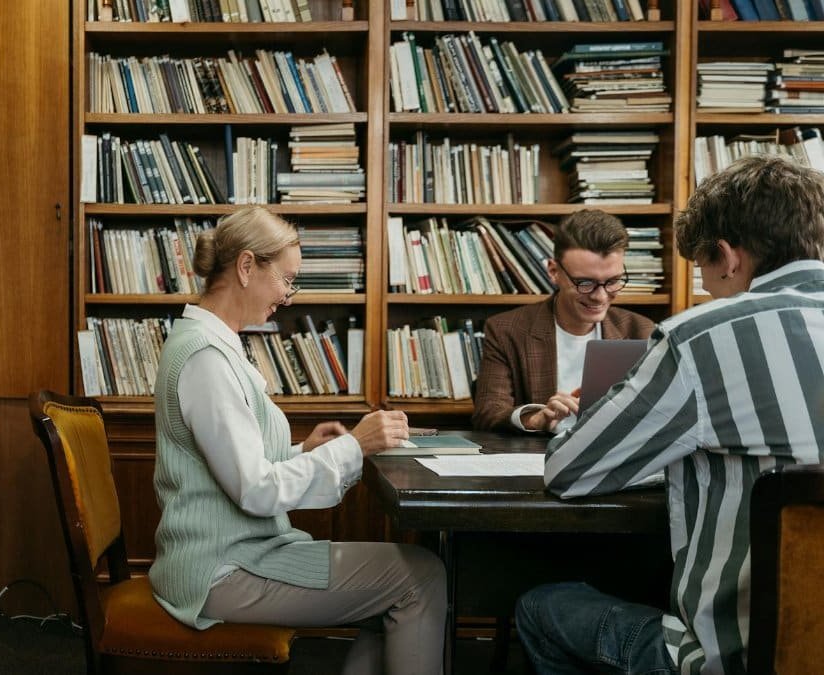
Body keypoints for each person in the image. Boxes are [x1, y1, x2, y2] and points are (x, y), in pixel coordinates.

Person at [515, 155, 824, 674]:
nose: (705, 289)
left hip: (734, 660)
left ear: (727, 257)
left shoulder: (702, 336)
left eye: (703, 272)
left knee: (541, 607)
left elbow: (568, 470)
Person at [149, 206, 446, 675]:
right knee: (420, 575)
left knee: (401, 578)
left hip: (230, 556)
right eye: (287, 280)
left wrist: (308, 452)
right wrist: (355, 447)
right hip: (222, 570)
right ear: (247, 267)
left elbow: (234, 467)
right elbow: (255, 490)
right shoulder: (206, 358)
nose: (288, 297)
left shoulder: (212, 343)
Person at [472, 209, 654, 434]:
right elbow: (488, 412)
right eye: (585, 283)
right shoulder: (505, 330)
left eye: (613, 281)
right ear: (553, 271)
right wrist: (536, 419)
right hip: (540, 457)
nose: (600, 296)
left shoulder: (643, 331)